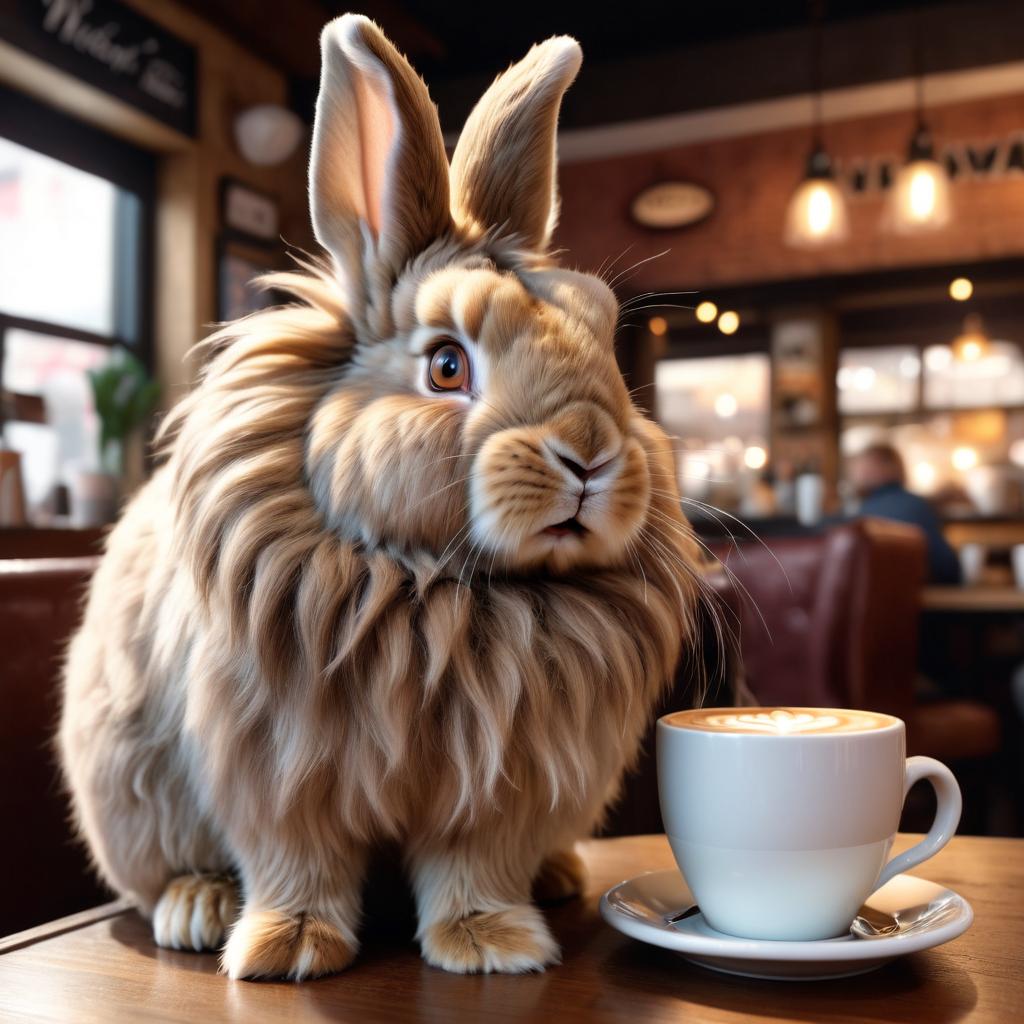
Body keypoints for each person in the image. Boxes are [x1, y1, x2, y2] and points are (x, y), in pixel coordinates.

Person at [847, 443, 961, 584]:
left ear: (881, 467)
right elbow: (948, 569)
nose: (854, 473)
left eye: (859, 466)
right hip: (915, 600)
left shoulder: (861, 514)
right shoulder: (917, 505)